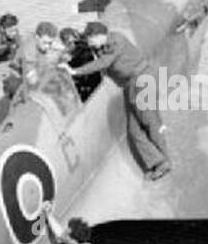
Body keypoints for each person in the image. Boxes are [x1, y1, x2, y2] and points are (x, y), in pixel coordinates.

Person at [69, 21, 172, 180]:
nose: (90, 44)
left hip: (141, 80)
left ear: (98, 36)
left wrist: (75, 71)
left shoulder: (116, 40)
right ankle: (156, 161)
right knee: (133, 130)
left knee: (150, 121)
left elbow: (104, 62)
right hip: (130, 86)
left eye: (90, 40)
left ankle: (165, 161)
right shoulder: (104, 45)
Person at [60, 27, 102, 101]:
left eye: (70, 43)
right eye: (68, 44)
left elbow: (80, 72)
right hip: (93, 84)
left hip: (92, 87)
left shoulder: (82, 51)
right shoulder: (83, 47)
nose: (70, 46)